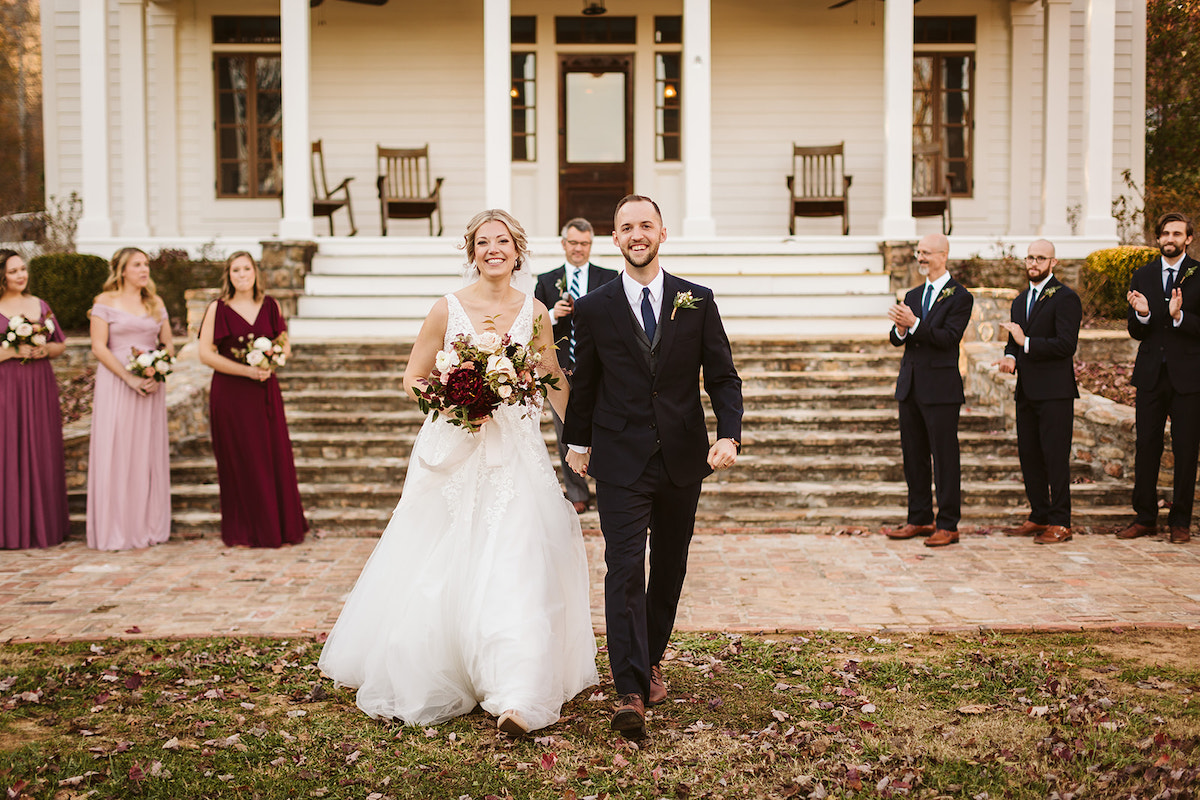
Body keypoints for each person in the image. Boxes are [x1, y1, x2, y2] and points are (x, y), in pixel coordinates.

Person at [318, 209, 598, 734]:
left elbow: (553, 375)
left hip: (515, 456)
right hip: (454, 452)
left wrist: (579, 435)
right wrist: (455, 399)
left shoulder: (535, 312)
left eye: (504, 241)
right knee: (438, 560)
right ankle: (434, 672)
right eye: (483, 242)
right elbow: (413, 378)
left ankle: (516, 690)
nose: (494, 250)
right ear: (472, 253)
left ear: (518, 251)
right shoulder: (446, 310)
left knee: (517, 563)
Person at [563, 195, 743, 739]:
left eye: (645, 225)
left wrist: (729, 433)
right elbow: (586, 384)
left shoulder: (697, 299)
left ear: (662, 233)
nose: (636, 234)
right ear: (614, 239)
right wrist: (576, 444)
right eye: (625, 227)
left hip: (683, 457)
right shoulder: (594, 308)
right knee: (624, 570)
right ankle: (630, 689)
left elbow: (723, 376)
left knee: (668, 569)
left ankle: (651, 655)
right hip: (619, 459)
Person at [198, 252, 307, 548]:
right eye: (235, 270)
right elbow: (205, 353)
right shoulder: (217, 308)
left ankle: (280, 527)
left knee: (272, 457)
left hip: (264, 392)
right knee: (240, 459)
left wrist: (274, 360)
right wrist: (246, 371)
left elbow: (285, 343)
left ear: (255, 272)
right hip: (231, 394)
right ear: (228, 275)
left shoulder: (271, 305)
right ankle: (246, 530)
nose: (241, 274)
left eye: (246, 268)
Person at [884, 233, 974, 547]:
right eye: (918, 252)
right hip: (910, 385)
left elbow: (949, 338)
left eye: (926, 253)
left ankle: (948, 524)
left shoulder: (960, 296)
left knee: (945, 457)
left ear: (943, 255)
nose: (920, 258)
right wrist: (900, 328)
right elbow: (899, 339)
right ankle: (919, 518)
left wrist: (916, 323)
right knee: (914, 456)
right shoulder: (912, 293)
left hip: (941, 388)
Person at [1119, 211, 1200, 544]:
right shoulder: (1143, 275)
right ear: (1158, 237)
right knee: (1146, 447)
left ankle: (1180, 520)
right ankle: (1145, 517)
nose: (1170, 239)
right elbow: (1136, 331)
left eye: (1177, 234)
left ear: (1189, 239)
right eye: (1165, 233)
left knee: (1185, 449)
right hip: (1151, 375)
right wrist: (1144, 313)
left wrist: (1180, 317)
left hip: (1189, 378)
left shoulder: (1199, 275)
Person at [994, 239, 1082, 545]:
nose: (1033, 263)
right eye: (1030, 257)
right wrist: (1010, 356)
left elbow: (1065, 345)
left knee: (1055, 457)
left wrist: (1025, 342)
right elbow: (1013, 342)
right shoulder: (1019, 300)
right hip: (1027, 390)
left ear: (1053, 263)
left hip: (1056, 392)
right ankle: (1038, 515)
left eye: (1041, 258)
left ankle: (1061, 522)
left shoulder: (1066, 298)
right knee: (1029, 455)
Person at [87, 247, 173, 550]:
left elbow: (168, 345)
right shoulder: (104, 302)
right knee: (118, 450)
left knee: (145, 452)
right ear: (122, 270)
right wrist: (128, 377)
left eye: (146, 264)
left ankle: (148, 524)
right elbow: (99, 347)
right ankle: (117, 527)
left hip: (151, 386)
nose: (144, 269)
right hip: (117, 384)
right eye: (137, 265)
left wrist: (157, 371)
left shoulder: (154, 303)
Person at [533, 218, 618, 513]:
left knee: (606, 428)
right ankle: (577, 491)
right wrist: (553, 315)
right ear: (563, 244)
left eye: (584, 243)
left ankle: (608, 485)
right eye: (573, 243)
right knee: (566, 431)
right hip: (562, 369)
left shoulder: (608, 277)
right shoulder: (546, 281)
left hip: (601, 368)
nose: (578, 248)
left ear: (591, 245)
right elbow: (531, 326)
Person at [0, 250, 69, 548]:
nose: (20, 275)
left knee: (42, 446)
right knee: (8, 448)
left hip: (40, 383)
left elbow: (60, 345)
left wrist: (44, 350)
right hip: (7, 385)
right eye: (13, 271)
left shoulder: (40, 304)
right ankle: (9, 529)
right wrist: (14, 352)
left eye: (23, 269)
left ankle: (45, 527)